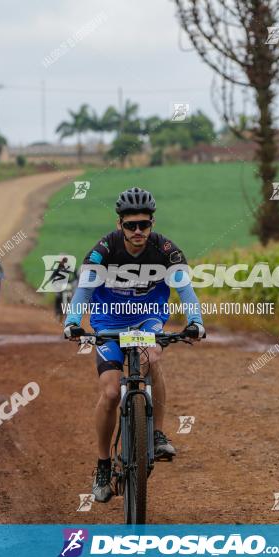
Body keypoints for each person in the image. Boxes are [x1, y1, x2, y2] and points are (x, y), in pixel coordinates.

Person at [63, 187, 205, 503]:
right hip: (108, 322)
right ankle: (102, 464)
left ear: (151, 224)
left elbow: (186, 292)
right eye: (131, 225)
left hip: (147, 319)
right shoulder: (103, 250)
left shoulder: (167, 250)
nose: (138, 231)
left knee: (152, 358)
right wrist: (72, 321)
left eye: (144, 224)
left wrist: (196, 322)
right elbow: (83, 291)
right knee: (112, 392)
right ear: (120, 225)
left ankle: (155, 434)